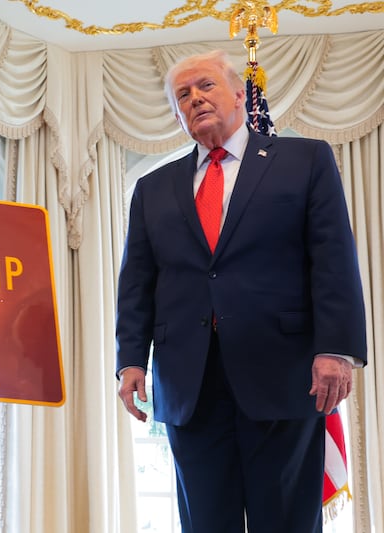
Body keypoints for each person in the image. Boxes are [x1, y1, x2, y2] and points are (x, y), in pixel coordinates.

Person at [115, 49, 367, 533]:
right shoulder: (152, 188)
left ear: (237, 93)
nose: (195, 100)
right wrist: (130, 360)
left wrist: (335, 348)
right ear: (175, 114)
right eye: (182, 96)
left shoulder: (305, 160)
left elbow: (332, 258)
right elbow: (137, 282)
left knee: (286, 522)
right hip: (189, 384)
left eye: (205, 86)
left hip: (284, 374)